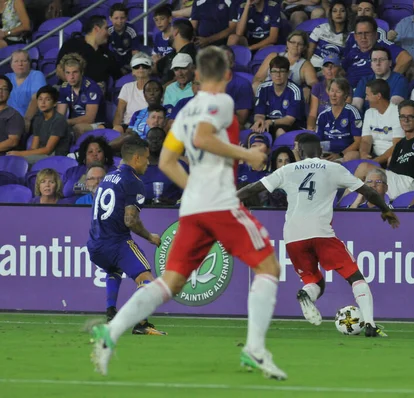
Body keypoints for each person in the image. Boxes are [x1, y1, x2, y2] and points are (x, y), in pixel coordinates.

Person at [90, 46, 288, 380]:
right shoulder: (223, 101)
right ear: (227, 75)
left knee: (171, 282)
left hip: (194, 207)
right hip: (220, 203)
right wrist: (249, 154)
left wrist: (194, 188)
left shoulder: (184, 111)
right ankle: (255, 349)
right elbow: (204, 137)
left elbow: (166, 161)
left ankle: (112, 332)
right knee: (268, 266)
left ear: (196, 76)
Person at [237, 133, 399, 336]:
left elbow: (253, 188)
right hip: (321, 232)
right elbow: (368, 191)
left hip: (293, 235)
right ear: (320, 151)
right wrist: (385, 209)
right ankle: (370, 325)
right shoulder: (333, 168)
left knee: (315, 282)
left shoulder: (287, 170)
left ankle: (306, 294)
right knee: (355, 277)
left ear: (300, 151)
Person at [86, 135, 166, 338]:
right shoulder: (134, 182)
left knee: (113, 269)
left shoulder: (109, 177)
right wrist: (150, 236)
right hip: (116, 242)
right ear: (137, 158)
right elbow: (130, 220)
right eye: (147, 158)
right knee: (147, 279)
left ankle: (111, 313)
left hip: (95, 245)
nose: (149, 162)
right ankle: (141, 323)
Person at [355, 100, 414, 200]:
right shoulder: (400, 144)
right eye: (402, 117)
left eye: (410, 117)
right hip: (394, 183)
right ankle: (349, 205)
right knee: (368, 180)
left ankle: (341, 207)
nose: (406, 120)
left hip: (410, 184)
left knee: (364, 168)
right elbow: (391, 169)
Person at [6, 85, 71, 163]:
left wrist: (20, 154)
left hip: (56, 157)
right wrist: (22, 154)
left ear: (54, 103)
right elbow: (34, 147)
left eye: (47, 99)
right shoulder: (38, 119)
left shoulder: (59, 120)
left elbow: (48, 149)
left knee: (18, 161)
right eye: (40, 99)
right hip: (42, 154)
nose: (43, 103)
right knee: (13, 159)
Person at [56, 15, 121, 89]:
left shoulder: (108, 54)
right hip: (69, 93)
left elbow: (118, 76)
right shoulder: (72, 45)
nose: (109, 33)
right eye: (106, 28)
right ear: (96, 29)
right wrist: (77, 88)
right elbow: (59, 70)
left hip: (96, 97)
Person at [251, 56, 305, 138]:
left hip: (288, 125)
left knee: (280, 132)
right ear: (270, 73)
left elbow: (289, 120)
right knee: (256, 131)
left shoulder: (295, 90)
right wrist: (260, 121)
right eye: (274, 71)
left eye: (282, 71)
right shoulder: (262, 88)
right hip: (267, 122)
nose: (278, 75)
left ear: (288, 73)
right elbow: (259, 114)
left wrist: (271, 122)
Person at [56, 53, 105, 139]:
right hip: (74, 122)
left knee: (78, 128)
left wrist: (66, 122)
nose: (71, 77)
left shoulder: (92, 87)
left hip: (97, 123)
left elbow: (90, 118)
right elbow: (60, 115)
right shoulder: (64, 87)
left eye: (75, 72)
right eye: (68, 73)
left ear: (81, 72)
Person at [359, 79, 404, 166]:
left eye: (368, 95)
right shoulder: (369, 112)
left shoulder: (397, 112)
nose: (366, 98)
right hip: (374, 156)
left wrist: (377, 161)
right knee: (351, 156)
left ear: (378, 96)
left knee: (391, 160)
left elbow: (397, 145)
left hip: (393, 156)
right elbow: (366, 140)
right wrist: (364, 154)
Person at [316, 77, 362, 162]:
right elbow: (318, 141)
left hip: (345, 154)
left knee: (351, 156)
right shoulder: (323, 115)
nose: (333, 95)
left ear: (345, 95)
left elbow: (358, 141)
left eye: (338, 92)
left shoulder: (353, 113)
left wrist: (340, 154)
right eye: (332, 90)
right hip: (327, 153)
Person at [352, 46, 408, 112]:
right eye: (374, 60)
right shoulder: (364, 81)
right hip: (367, 120)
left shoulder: (399, 80)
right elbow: (356, 107)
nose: (378, 63)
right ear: (371, 64)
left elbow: (394, 106)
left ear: (390, 63)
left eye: (382, 59)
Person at [112, 53, 152, 135]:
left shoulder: (156, 88)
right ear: (133, 71)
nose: (141, 68)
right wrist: (115, 130)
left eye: (145, 66)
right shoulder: (127, 87)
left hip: (147, 125)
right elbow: (119, 111)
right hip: (127, 125)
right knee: (102, 128)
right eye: (137, 66)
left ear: (150, 70)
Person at [306, 0, 350, 69]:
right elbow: (309, 51)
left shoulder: (351, 36)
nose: (338, 13)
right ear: (331, 15)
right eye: (335, 11)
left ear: (347, 14)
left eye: (342, 11)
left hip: (332, 70)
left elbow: (346, 61)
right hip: (313, 66)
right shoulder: (321, 28)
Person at [6, 49, 46, 119]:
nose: (20, 64)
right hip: (7, 120)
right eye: (16, 61)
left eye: (24, 61)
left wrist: (27, 120)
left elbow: (36, 99)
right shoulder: (6, 77)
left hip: (31, 119)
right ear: (11, 65)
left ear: (29, 63)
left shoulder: (37, 75)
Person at [307, 54, 342, 131]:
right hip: (319, 125)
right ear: (323, 71)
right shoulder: (317, 87)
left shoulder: (345, 88)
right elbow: (312, 114)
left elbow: (343, 113)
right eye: (326, 66)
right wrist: (310, 127)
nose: (329, 69)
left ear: (339, 70)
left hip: (337, 127)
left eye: (333, 66)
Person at [107, 3, 140, 73]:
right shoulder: (108, 31)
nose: (119, 21)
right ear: (110, 18)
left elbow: (135, 53)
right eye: (116, 18)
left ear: (126, 18)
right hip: (115, 64)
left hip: (129, 64)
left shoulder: (131, 31)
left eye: (122, 18)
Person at [0, 74, 24, 155]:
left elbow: (12, 141)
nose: (0, 91)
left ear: (9, 94)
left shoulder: (13, 115)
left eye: (4, 89)